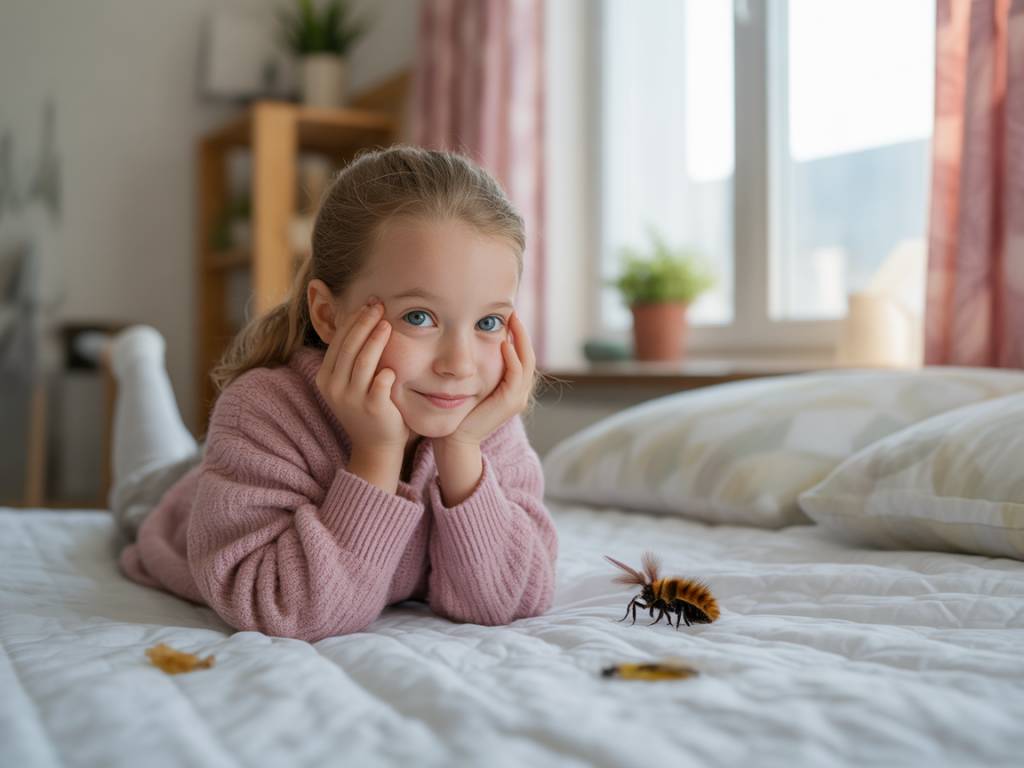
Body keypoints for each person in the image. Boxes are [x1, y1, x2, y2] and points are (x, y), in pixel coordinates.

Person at [101, 146, 558, 642]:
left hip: (234, 464)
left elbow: (509, 599)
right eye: (419, 317)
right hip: (180, 502)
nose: (460, 365)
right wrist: (377, 453)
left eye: (488, 322)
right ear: (327, 314)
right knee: (144, 479)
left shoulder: (482, 422)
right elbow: (286, 610)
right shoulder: (261, 408)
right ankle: (137, 361)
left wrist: (461, 452)